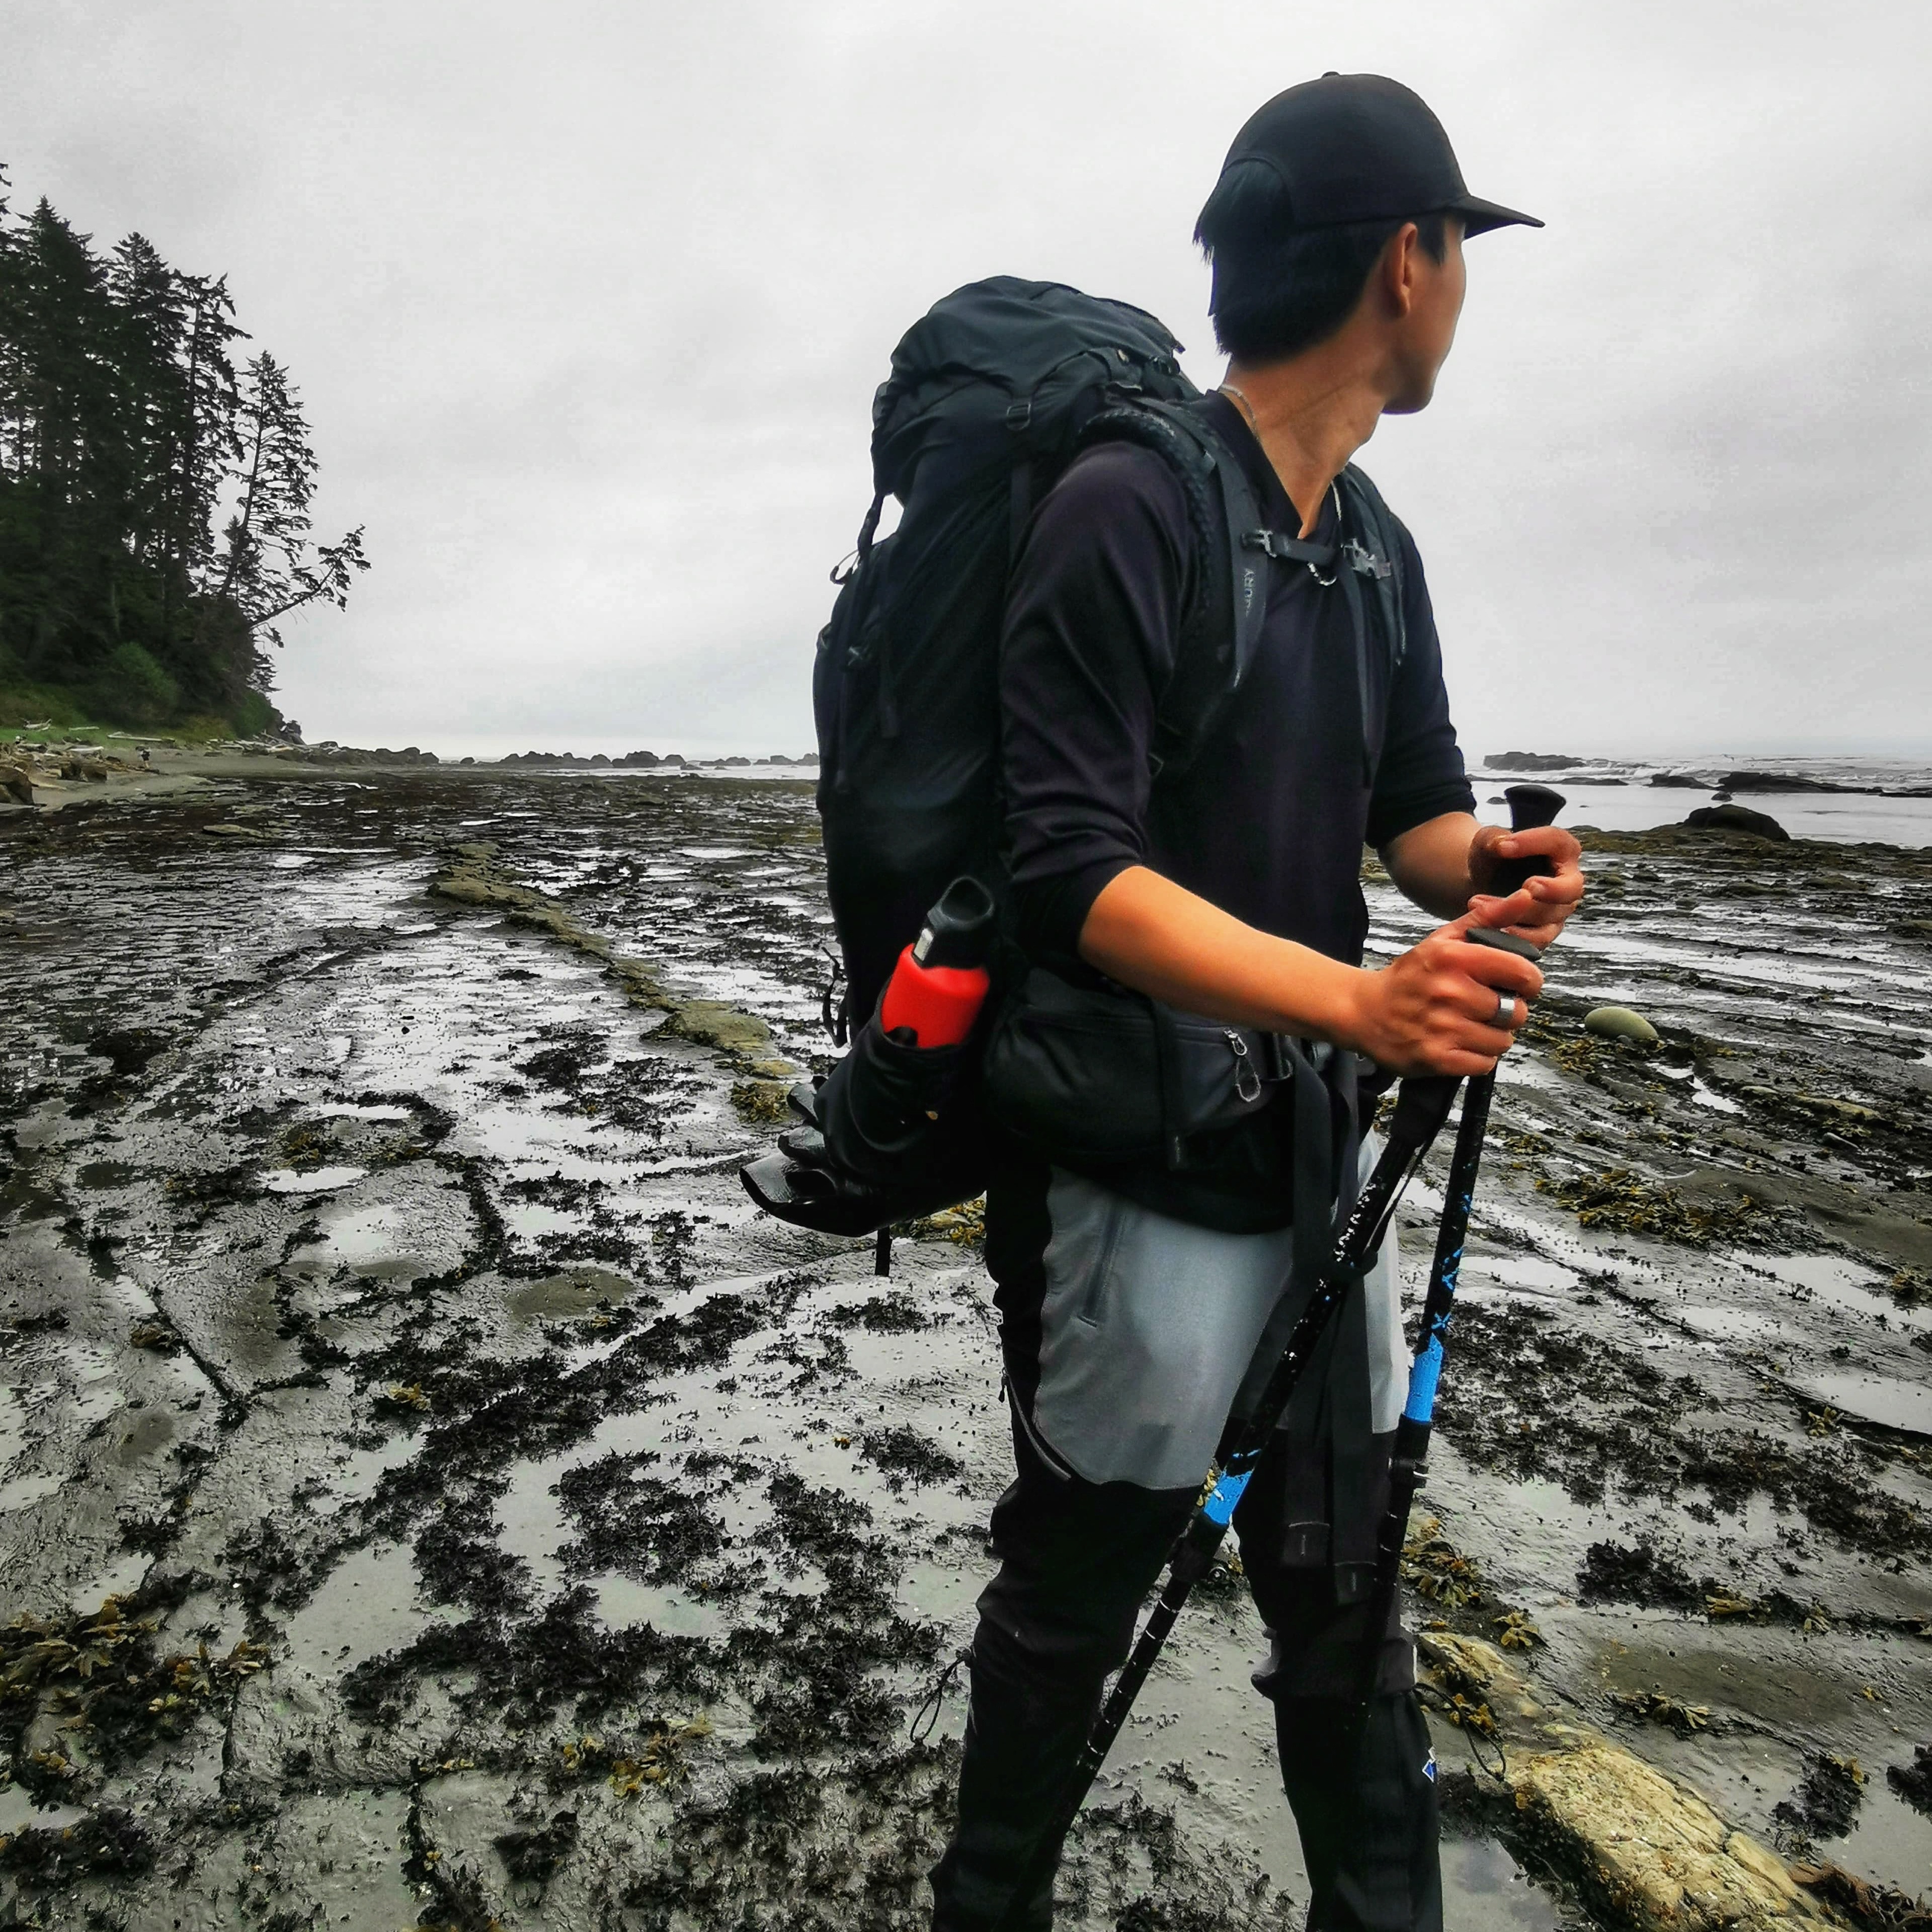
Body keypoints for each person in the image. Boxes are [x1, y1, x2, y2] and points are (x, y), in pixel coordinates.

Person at [929, 73, 1585, 1932]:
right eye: (1461, 249)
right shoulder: (1128, 505)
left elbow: (1411, 813)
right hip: (1124, 1161)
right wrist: (1367, 1010)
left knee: (1347, 1599)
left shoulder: (1373, 546)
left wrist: (1490, 869)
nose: (1461, 288)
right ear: (1407, 261)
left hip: (1313, 1167)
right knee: (1077, 1592)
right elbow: (1075, 872)